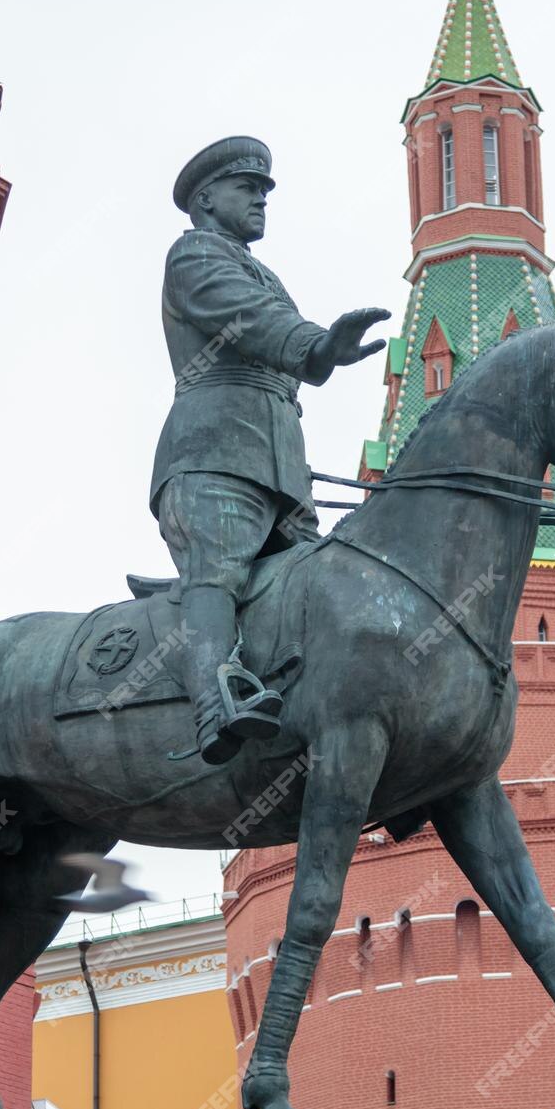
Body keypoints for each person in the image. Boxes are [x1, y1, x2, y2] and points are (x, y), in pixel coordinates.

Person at [151, 136, 389, 764]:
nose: (260, 199)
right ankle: (212, 706)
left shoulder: (263, 271)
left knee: (319, 586)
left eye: (264, 191)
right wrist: (316, 345)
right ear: (205, 199)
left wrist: (316, 353)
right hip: (214, 452)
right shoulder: (194, 256)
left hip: (279, 461)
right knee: (220, 570)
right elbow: (248, 318)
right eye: (246, 189)